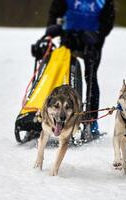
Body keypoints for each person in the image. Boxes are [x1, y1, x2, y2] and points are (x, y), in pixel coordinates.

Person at [45, 0, 115, 139]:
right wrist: (51, 29)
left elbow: (108, 20)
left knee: (91, 76)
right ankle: (50, 113)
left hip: (92, 41)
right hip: (69, 37)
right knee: (59, 72)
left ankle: (91, 121)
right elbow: (55, 12)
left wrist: (98, 35)